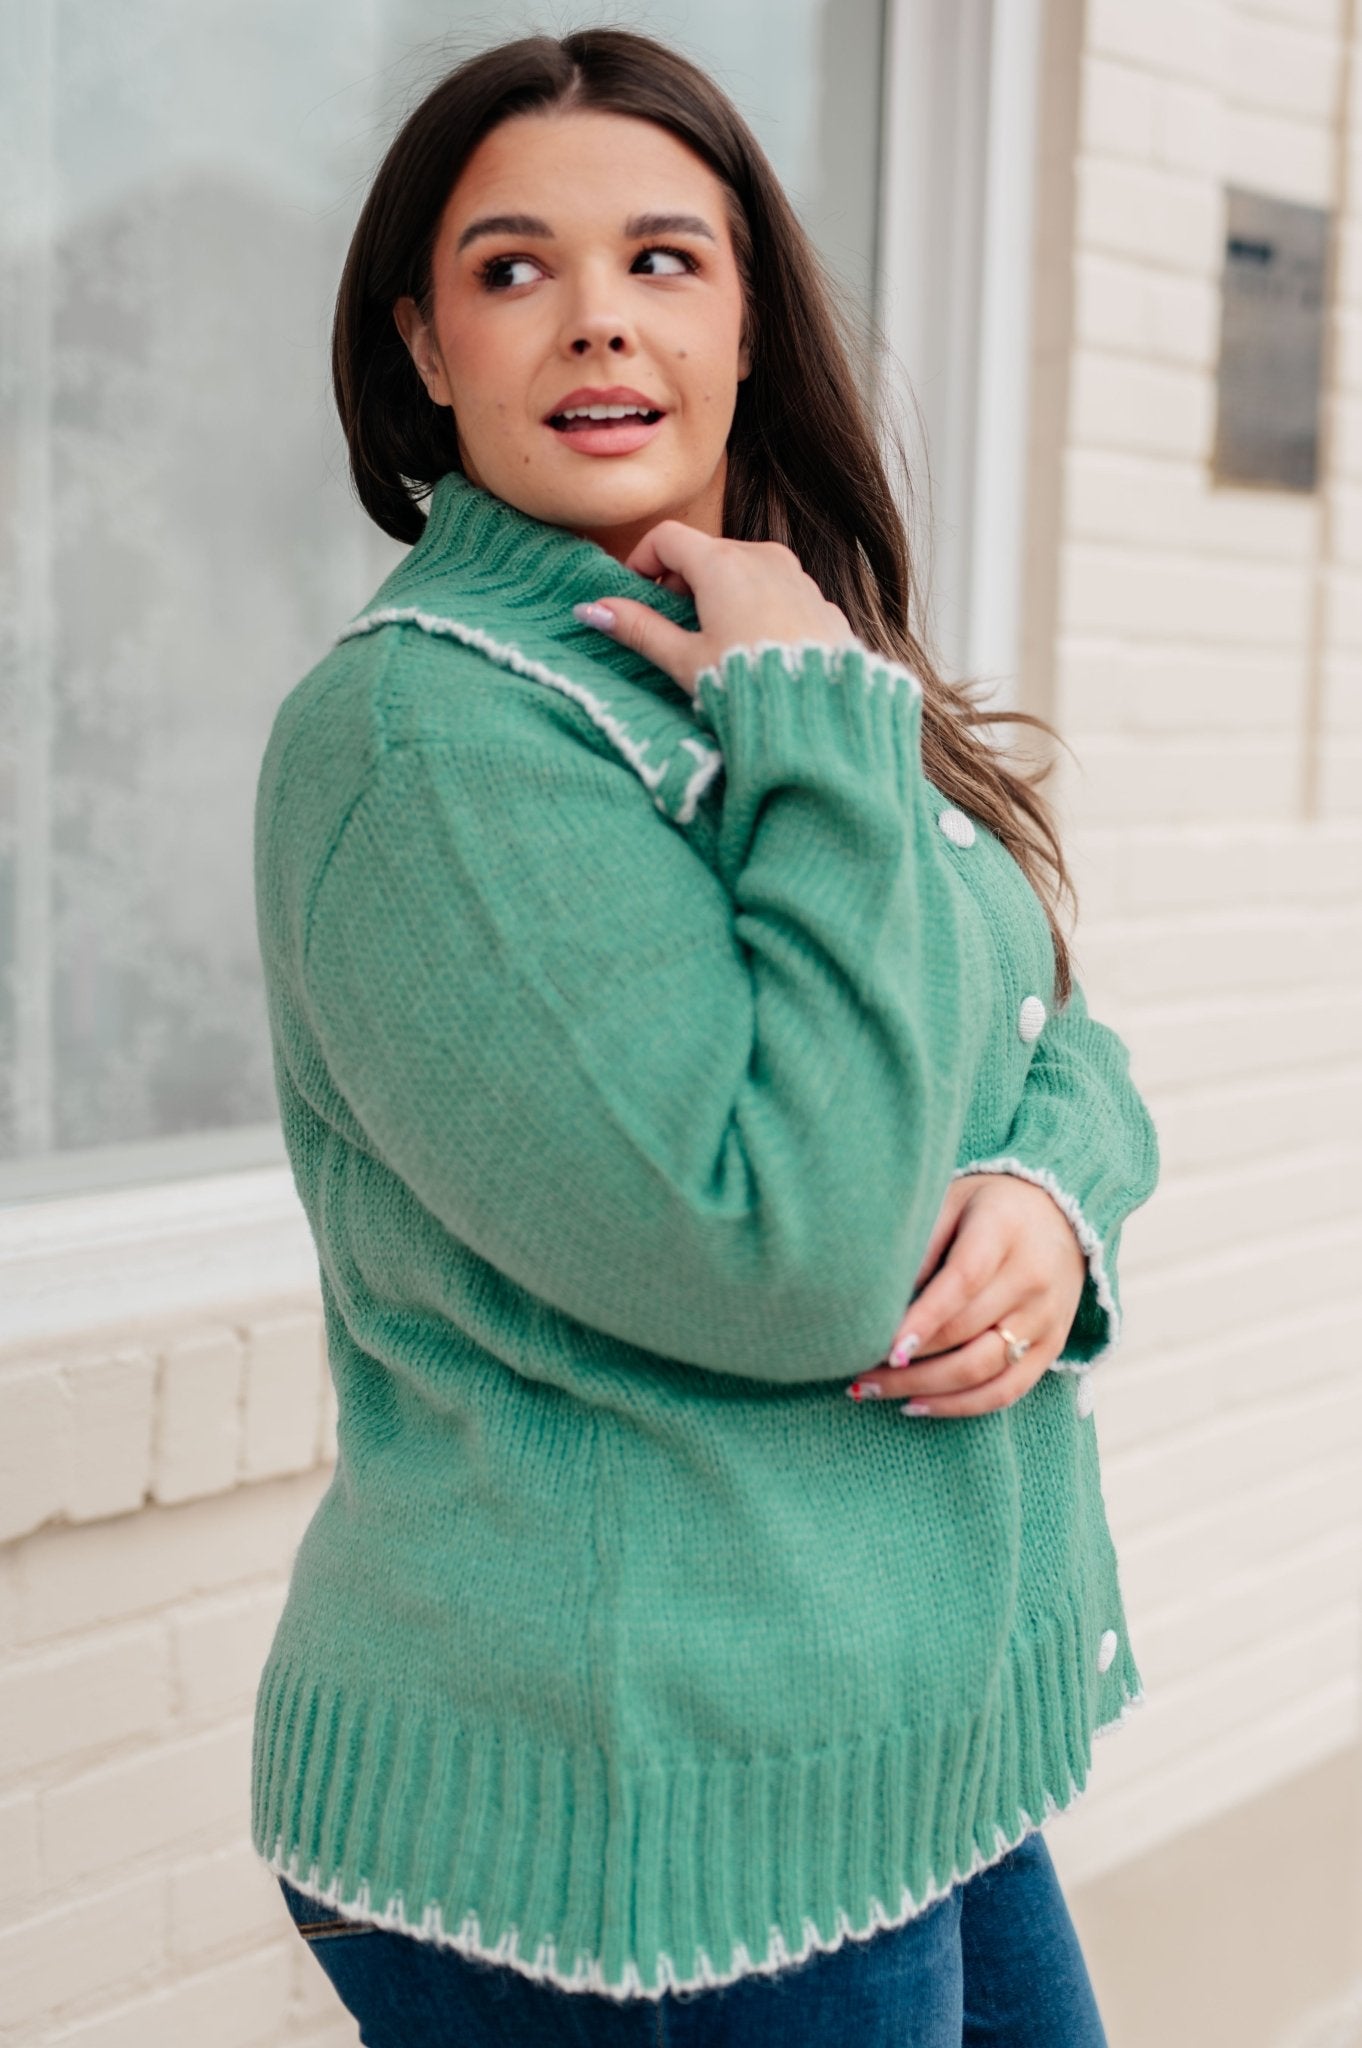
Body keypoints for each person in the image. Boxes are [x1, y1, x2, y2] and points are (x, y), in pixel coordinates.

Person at [249, 26, 1161, 2046]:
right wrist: (817, 732)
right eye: (513, 268)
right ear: (423, 344)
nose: (599, 318)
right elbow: (786, 1252)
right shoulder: (425, 740)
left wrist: (1049, 1186)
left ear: (750, 325)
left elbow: (1036, 1013)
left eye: (665, 259)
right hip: (648, 1816)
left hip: (891, 1747)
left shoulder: (763, 642)